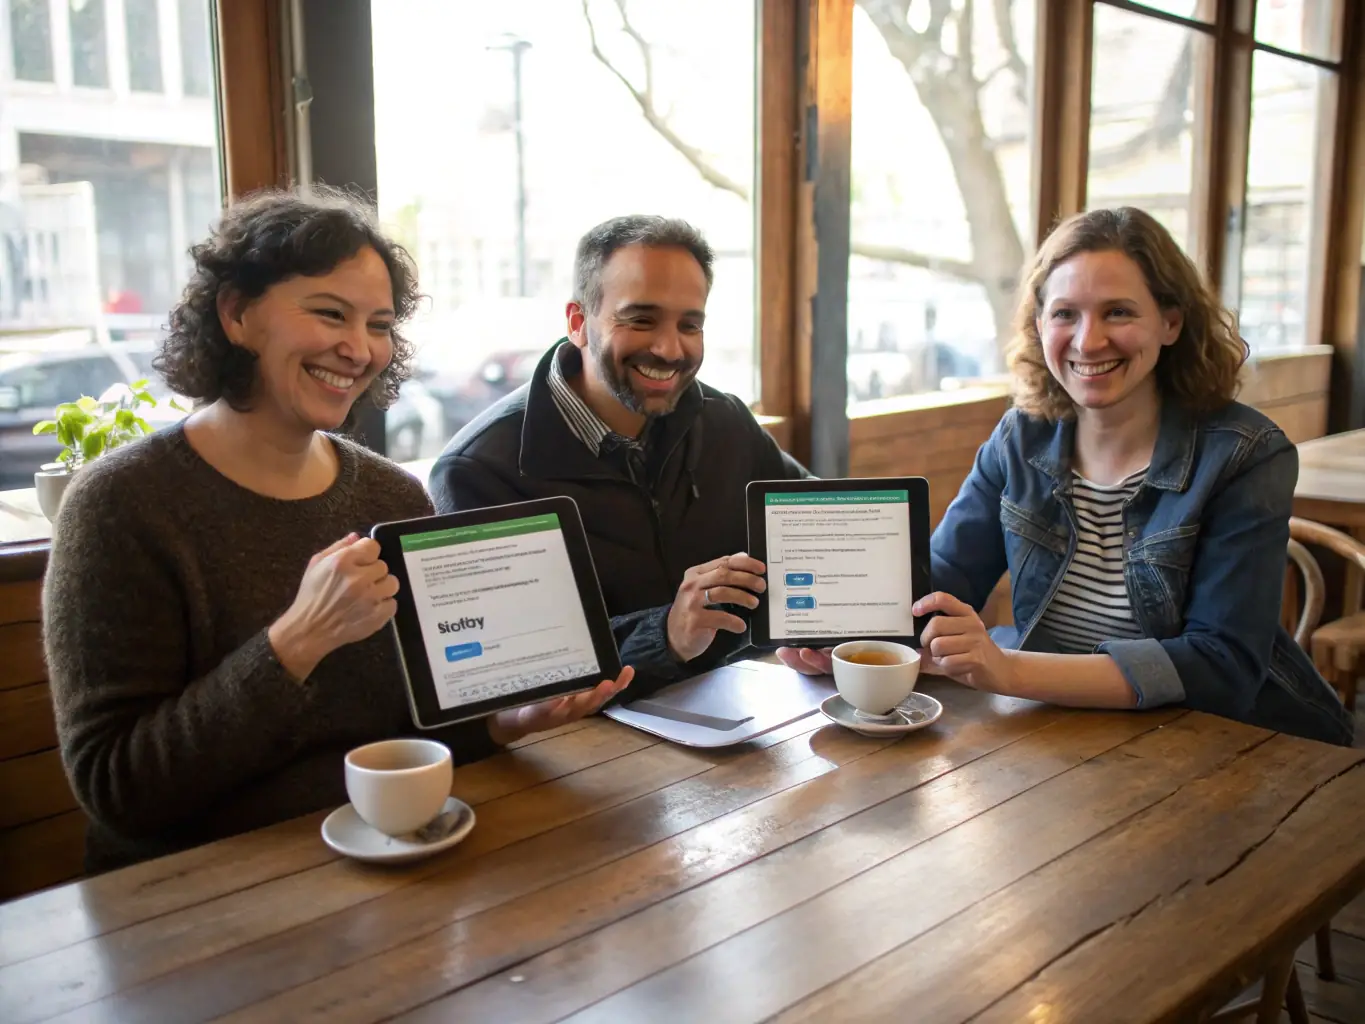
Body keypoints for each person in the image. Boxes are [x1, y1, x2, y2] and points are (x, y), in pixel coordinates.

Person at [44, 188, 632, 872]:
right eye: (329, 314)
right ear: (235, 313)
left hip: (387, 859)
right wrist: (294, 642)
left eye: (379, 325)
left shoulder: (390, 494)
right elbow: (117, 791)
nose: (358, 349)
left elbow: (421, 725)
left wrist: (504, 723)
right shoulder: (122, 505)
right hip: (193, 896)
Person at [781, 207, 1352, 745]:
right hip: (1069, 740)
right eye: (1065, 314)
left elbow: (1220, 667)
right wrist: (850, 637)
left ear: (1171, 321)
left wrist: (1005, 668)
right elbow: (944, 583)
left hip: (1240, 746)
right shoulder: (1019, 437)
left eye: (1118, 312)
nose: (1088, 340)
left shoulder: (1245, 454)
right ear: (1039, 323)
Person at [429, 215, 808, 688]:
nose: (670, 349)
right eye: (641, 319)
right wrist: (665, 634)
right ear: (578, 322)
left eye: (690, 324)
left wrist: (849, 624)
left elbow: (812, 521)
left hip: (744, 711)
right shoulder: (480, 471)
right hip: (581, 747)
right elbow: (504, 664)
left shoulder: (725, 419)